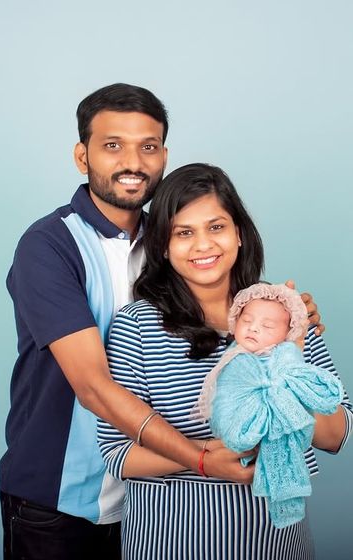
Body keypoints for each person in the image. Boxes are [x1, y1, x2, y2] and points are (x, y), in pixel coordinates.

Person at [0, 83, 323, 559]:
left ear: (164, 155)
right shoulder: (49, 246)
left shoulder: (176, 238)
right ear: (81, 155)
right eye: (113, 145)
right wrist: (200, 458)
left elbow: (231, 311)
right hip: (60, 498)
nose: (133, 162)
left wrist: (286, 314)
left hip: (151, 506)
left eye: (147, 147)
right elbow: (93, 387)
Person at [97, 163, 352, 560]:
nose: (203, 245)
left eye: (216, 227)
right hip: (170, 543)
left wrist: (290, 360)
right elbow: (117, 453)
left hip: (278, 543)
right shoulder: (137, 327)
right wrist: (203, 458)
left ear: (240, 235)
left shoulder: (285, 313)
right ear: (163, 246)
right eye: (184, 233)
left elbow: (335, 436)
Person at [195, 282, 344, 529]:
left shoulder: (291, 347)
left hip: (278, 540)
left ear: (288, 332)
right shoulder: (234, 355)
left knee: (281, 437)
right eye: (247, 321)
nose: (254, 329)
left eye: (267, 326)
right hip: (198, 516)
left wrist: (293, 354)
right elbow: (227, 395)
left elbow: (336, 431)